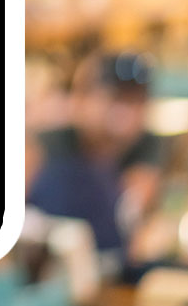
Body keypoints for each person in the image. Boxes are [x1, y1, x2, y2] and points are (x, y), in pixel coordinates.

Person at [26, 52, 165, 278]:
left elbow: (136, 229)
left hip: (108, 283)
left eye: (136, 101)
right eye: (115, 99)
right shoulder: (43, 148)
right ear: (80, 99)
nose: (124, 114)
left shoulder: (145, 149)